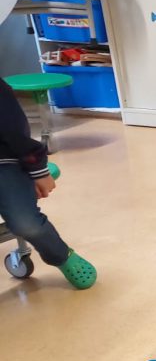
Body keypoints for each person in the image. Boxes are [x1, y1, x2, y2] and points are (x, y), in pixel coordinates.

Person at [0, 79, 95, 288]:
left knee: (26, 223)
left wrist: (37, 169)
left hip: (4, 161)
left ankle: (61, 255)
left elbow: (13, 128)